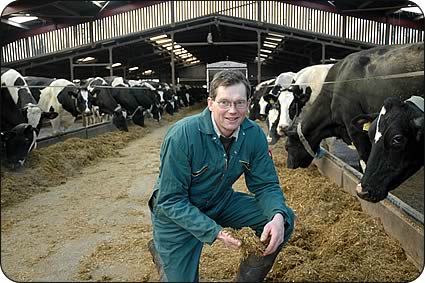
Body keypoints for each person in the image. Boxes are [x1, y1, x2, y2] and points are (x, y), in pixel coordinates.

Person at [148, 70, 294, 282]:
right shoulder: (183, 135)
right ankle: (164, 254)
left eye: (239, 103)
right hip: (176, 215)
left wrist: (277, 216)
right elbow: (170, 200)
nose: (232, 111)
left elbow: (266, 185)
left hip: (219, 200)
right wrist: (215, 231)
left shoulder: (252, 134)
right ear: (210, 103)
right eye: (224, 102)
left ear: (248, 104)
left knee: (283, 219)